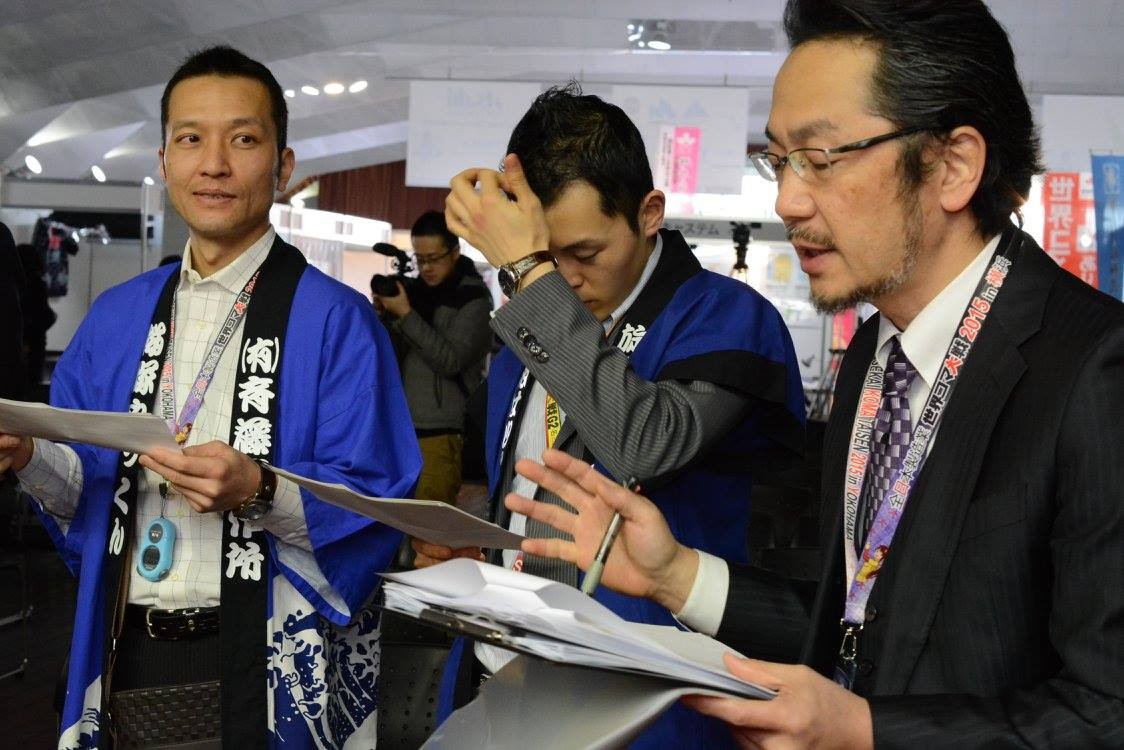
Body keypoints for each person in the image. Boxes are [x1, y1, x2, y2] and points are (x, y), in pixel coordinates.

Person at [505, 1, 1124, 747]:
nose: (787, 200)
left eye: (820, 159)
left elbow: (1107, 710)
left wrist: (866, 730)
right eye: (778, 160)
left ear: (952, 165)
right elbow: (860, 621)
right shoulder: (874, 358)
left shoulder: (1095, 369)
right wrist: (676, 575)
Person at [0, 46, 421, 749]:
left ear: (283, 167)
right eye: (191, 139)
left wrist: (259, 490)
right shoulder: (115, 317)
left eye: (244, 139)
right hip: (124, 647)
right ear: (164, 161)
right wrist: (28, 457)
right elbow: (88, 495)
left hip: (269, 660)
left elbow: (376, 509)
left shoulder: (338, 321)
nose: (214, 164)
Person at [423, 84, 806, 748]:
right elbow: (525, 489)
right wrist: (479, 538)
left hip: (645, 693)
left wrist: (528, 272)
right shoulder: (526, 329)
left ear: (649, 213)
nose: (561, 280)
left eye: (584, 254)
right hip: (505, 672)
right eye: (543, 258)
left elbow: (644, 444)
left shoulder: (722, 316)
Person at [374, 210, 493, 505]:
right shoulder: (414, 294)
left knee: (426, 523)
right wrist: (385, 316)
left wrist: (405, 314)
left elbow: (450, 360)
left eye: (434, 258)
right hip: (402, 425)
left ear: (455, 252)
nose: (426, 267)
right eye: (420, 259)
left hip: (442, 432)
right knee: (395, 519)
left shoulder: (474, 300)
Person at [16, 242, 57, 392]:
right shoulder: (37, 284)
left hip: (16, 340)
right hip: (35, 341)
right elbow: (43, 314)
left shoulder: (12, 285)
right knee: (32, 384)